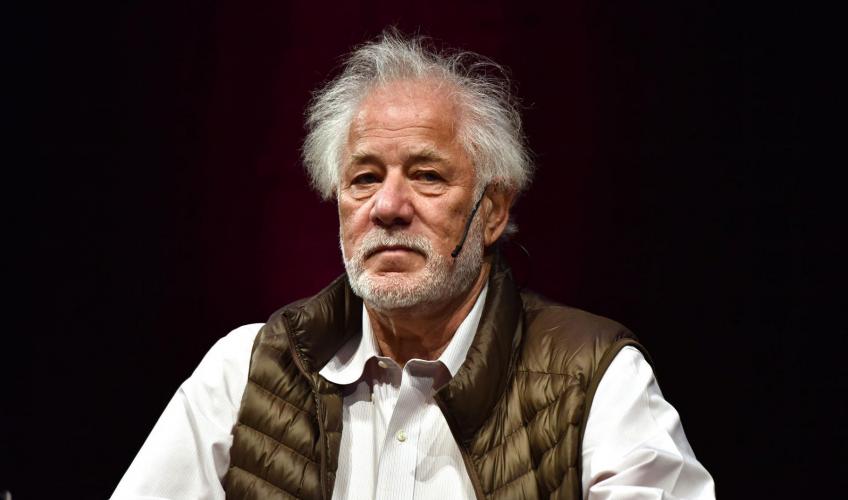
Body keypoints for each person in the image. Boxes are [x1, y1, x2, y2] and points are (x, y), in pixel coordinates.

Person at [113, 31, 715, 500]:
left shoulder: (598, 377)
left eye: (426, 176)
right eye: (364, 178)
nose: (388, 207)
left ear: (492, 211)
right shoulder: (244, 371)